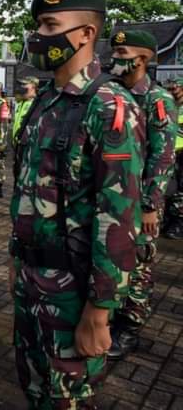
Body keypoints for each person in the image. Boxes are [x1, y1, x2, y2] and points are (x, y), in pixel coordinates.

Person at [10, 0, 145, 408]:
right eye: (38, 26)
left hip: (74, 291)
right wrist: (17, 261)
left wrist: (101, 310)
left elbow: (119, 218)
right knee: (34, 385)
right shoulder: (45, 100)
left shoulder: (108, 106)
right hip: (32, 279)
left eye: (50, 25)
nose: (39, 37)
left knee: (67, 397)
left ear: (86, 34)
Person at [105, 30, 178, 359]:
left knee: (139, 263)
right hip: (114, 196)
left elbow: (162, 157)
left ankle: (130, 327)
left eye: (122, 51)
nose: (116, 58)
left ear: (144, 58)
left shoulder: (157, 100)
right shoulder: (113, 95)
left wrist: (149, 205)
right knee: (113, 257)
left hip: (142, 200)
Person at [163, 78, 183, 239]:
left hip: (181, 154)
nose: (174, 90)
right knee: (167, 189)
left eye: (177, 87)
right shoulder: (163, 103)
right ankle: (167, 220)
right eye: (171, 87)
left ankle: (178, 223)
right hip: (167, 153)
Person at [11, 77, 39, 147]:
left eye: (25, 84)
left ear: (33, 87)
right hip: (17, 145)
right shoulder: (21, 103)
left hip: (27, 146)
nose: (22, 87)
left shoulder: (36, 104)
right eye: (22, 85)